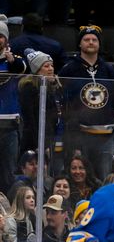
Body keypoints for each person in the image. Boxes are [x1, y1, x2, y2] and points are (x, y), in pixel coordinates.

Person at [59, 25, 114, 181]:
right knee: (82, 178)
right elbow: (60, 98)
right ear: (80, 44)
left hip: (105, 135)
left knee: (104, 178)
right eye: (86, 39)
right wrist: (70, 122)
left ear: (99, 44)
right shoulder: (69, 69)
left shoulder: (108, 69)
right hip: (80, 135)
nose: (90, 42)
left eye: (94, 39)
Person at [18, 48, 65, 171]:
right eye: (46, 66)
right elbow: (30, 119)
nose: (50, 69)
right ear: (37, 70)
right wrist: (38, 144)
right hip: (33, 140)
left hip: (48, 138)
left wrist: (56, 87)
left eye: (52, 66)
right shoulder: (29, 88)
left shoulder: (50, 86)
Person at [0, 16, 27, 197]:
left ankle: (7, 209)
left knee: (8, 172)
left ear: (6, 39)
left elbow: (23, 68)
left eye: (0, 36)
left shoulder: (14, 60)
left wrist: (11, 61)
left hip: (9, 126)